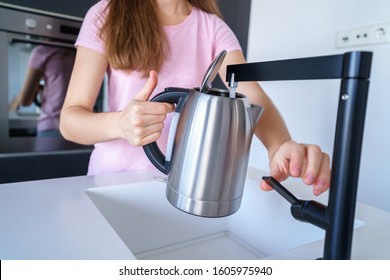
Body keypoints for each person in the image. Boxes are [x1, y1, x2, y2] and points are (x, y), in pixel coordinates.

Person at [60, 0, 330, 196]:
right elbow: (70, 121)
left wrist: (279, 144)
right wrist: (120, 124)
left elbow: (251, 91)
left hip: (183, 188)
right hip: (109, 186)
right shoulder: (105, 15)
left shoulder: (213, 27)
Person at [9, 45, 76, 136]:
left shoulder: (42, 52)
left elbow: (24, 101)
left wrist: (15, 100)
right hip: (76, 126)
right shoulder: (76, 52)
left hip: (50, 125)